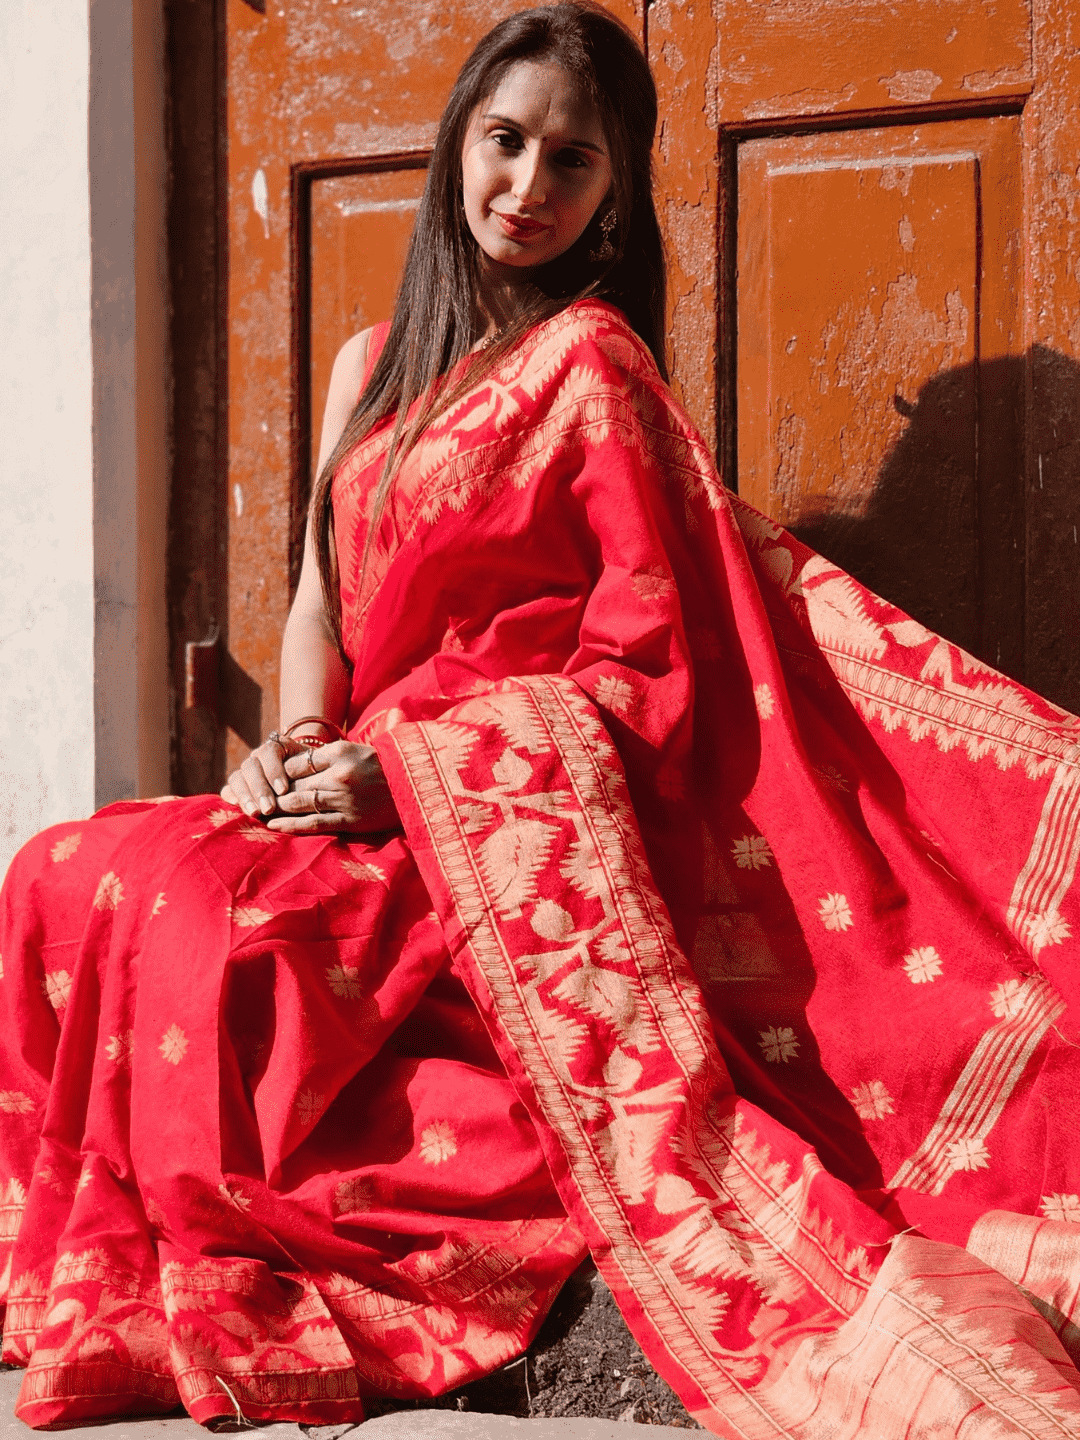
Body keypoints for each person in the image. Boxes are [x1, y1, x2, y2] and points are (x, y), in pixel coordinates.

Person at [3, 4, 1080, 1435]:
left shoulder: (594, 368)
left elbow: (643, 661)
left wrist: (412, 780)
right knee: (66, 872)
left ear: (614, 194)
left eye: (571, 161)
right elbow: (320, 607)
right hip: (360, 778)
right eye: (505, 142)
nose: (527, 187)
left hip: (482, 821)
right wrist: (295, 747)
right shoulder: (369, 365)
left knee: (210, 933)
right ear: (458, 142)